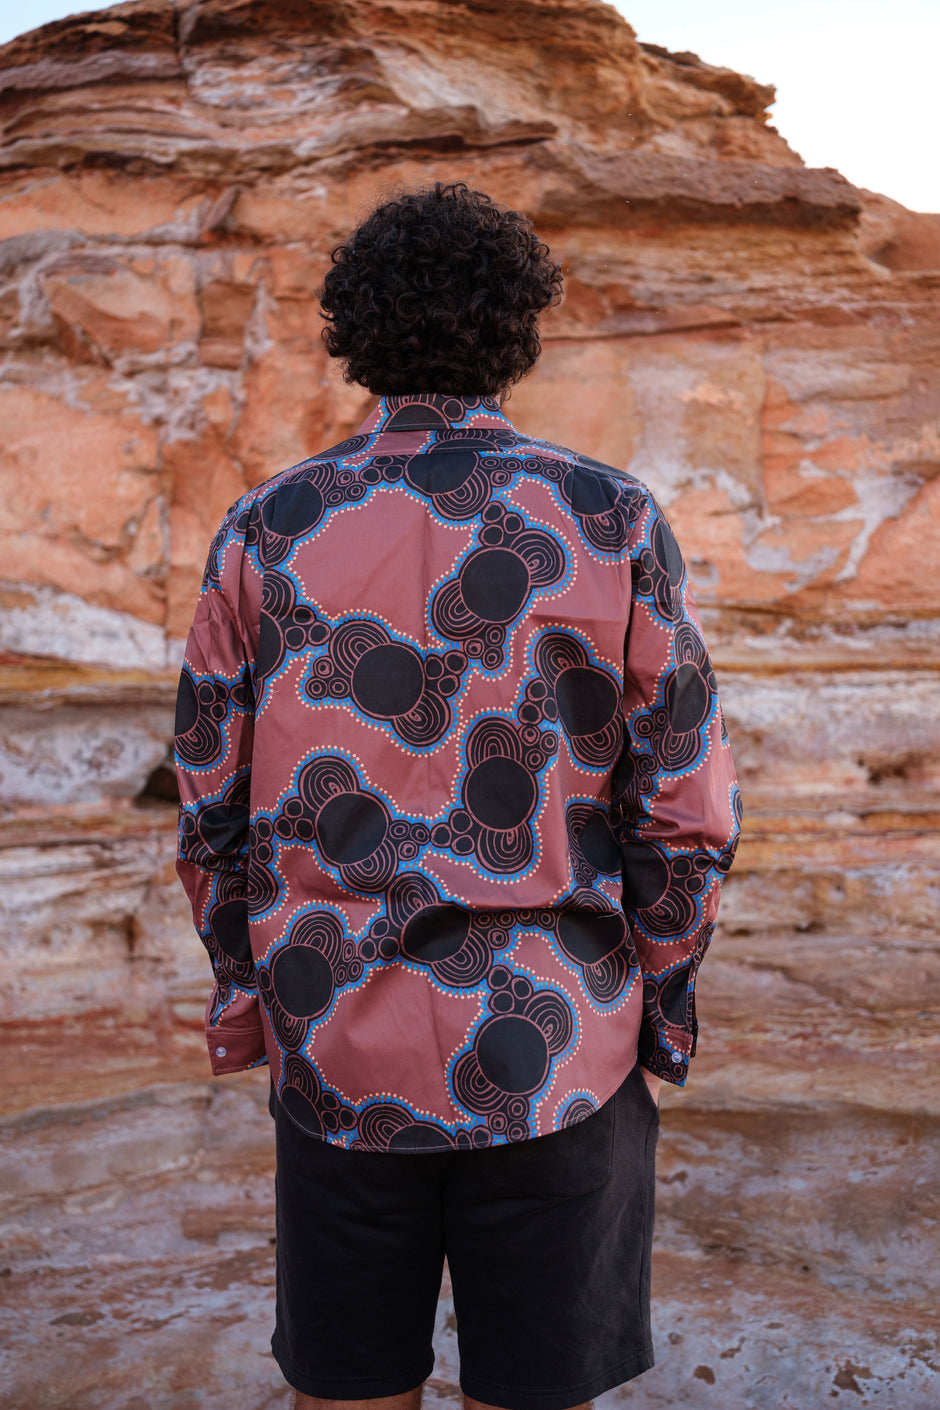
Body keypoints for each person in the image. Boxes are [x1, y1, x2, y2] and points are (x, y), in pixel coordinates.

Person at [174, 182, 740, 1410]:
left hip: (334, 1042)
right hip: (559, 1045)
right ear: (517, 333)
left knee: (350, 1390)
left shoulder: (266, 527)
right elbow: (686, 814)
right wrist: (656, 1010)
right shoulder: (609, 518)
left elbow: (210, 807)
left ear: (354, 334)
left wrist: (249, 1002)